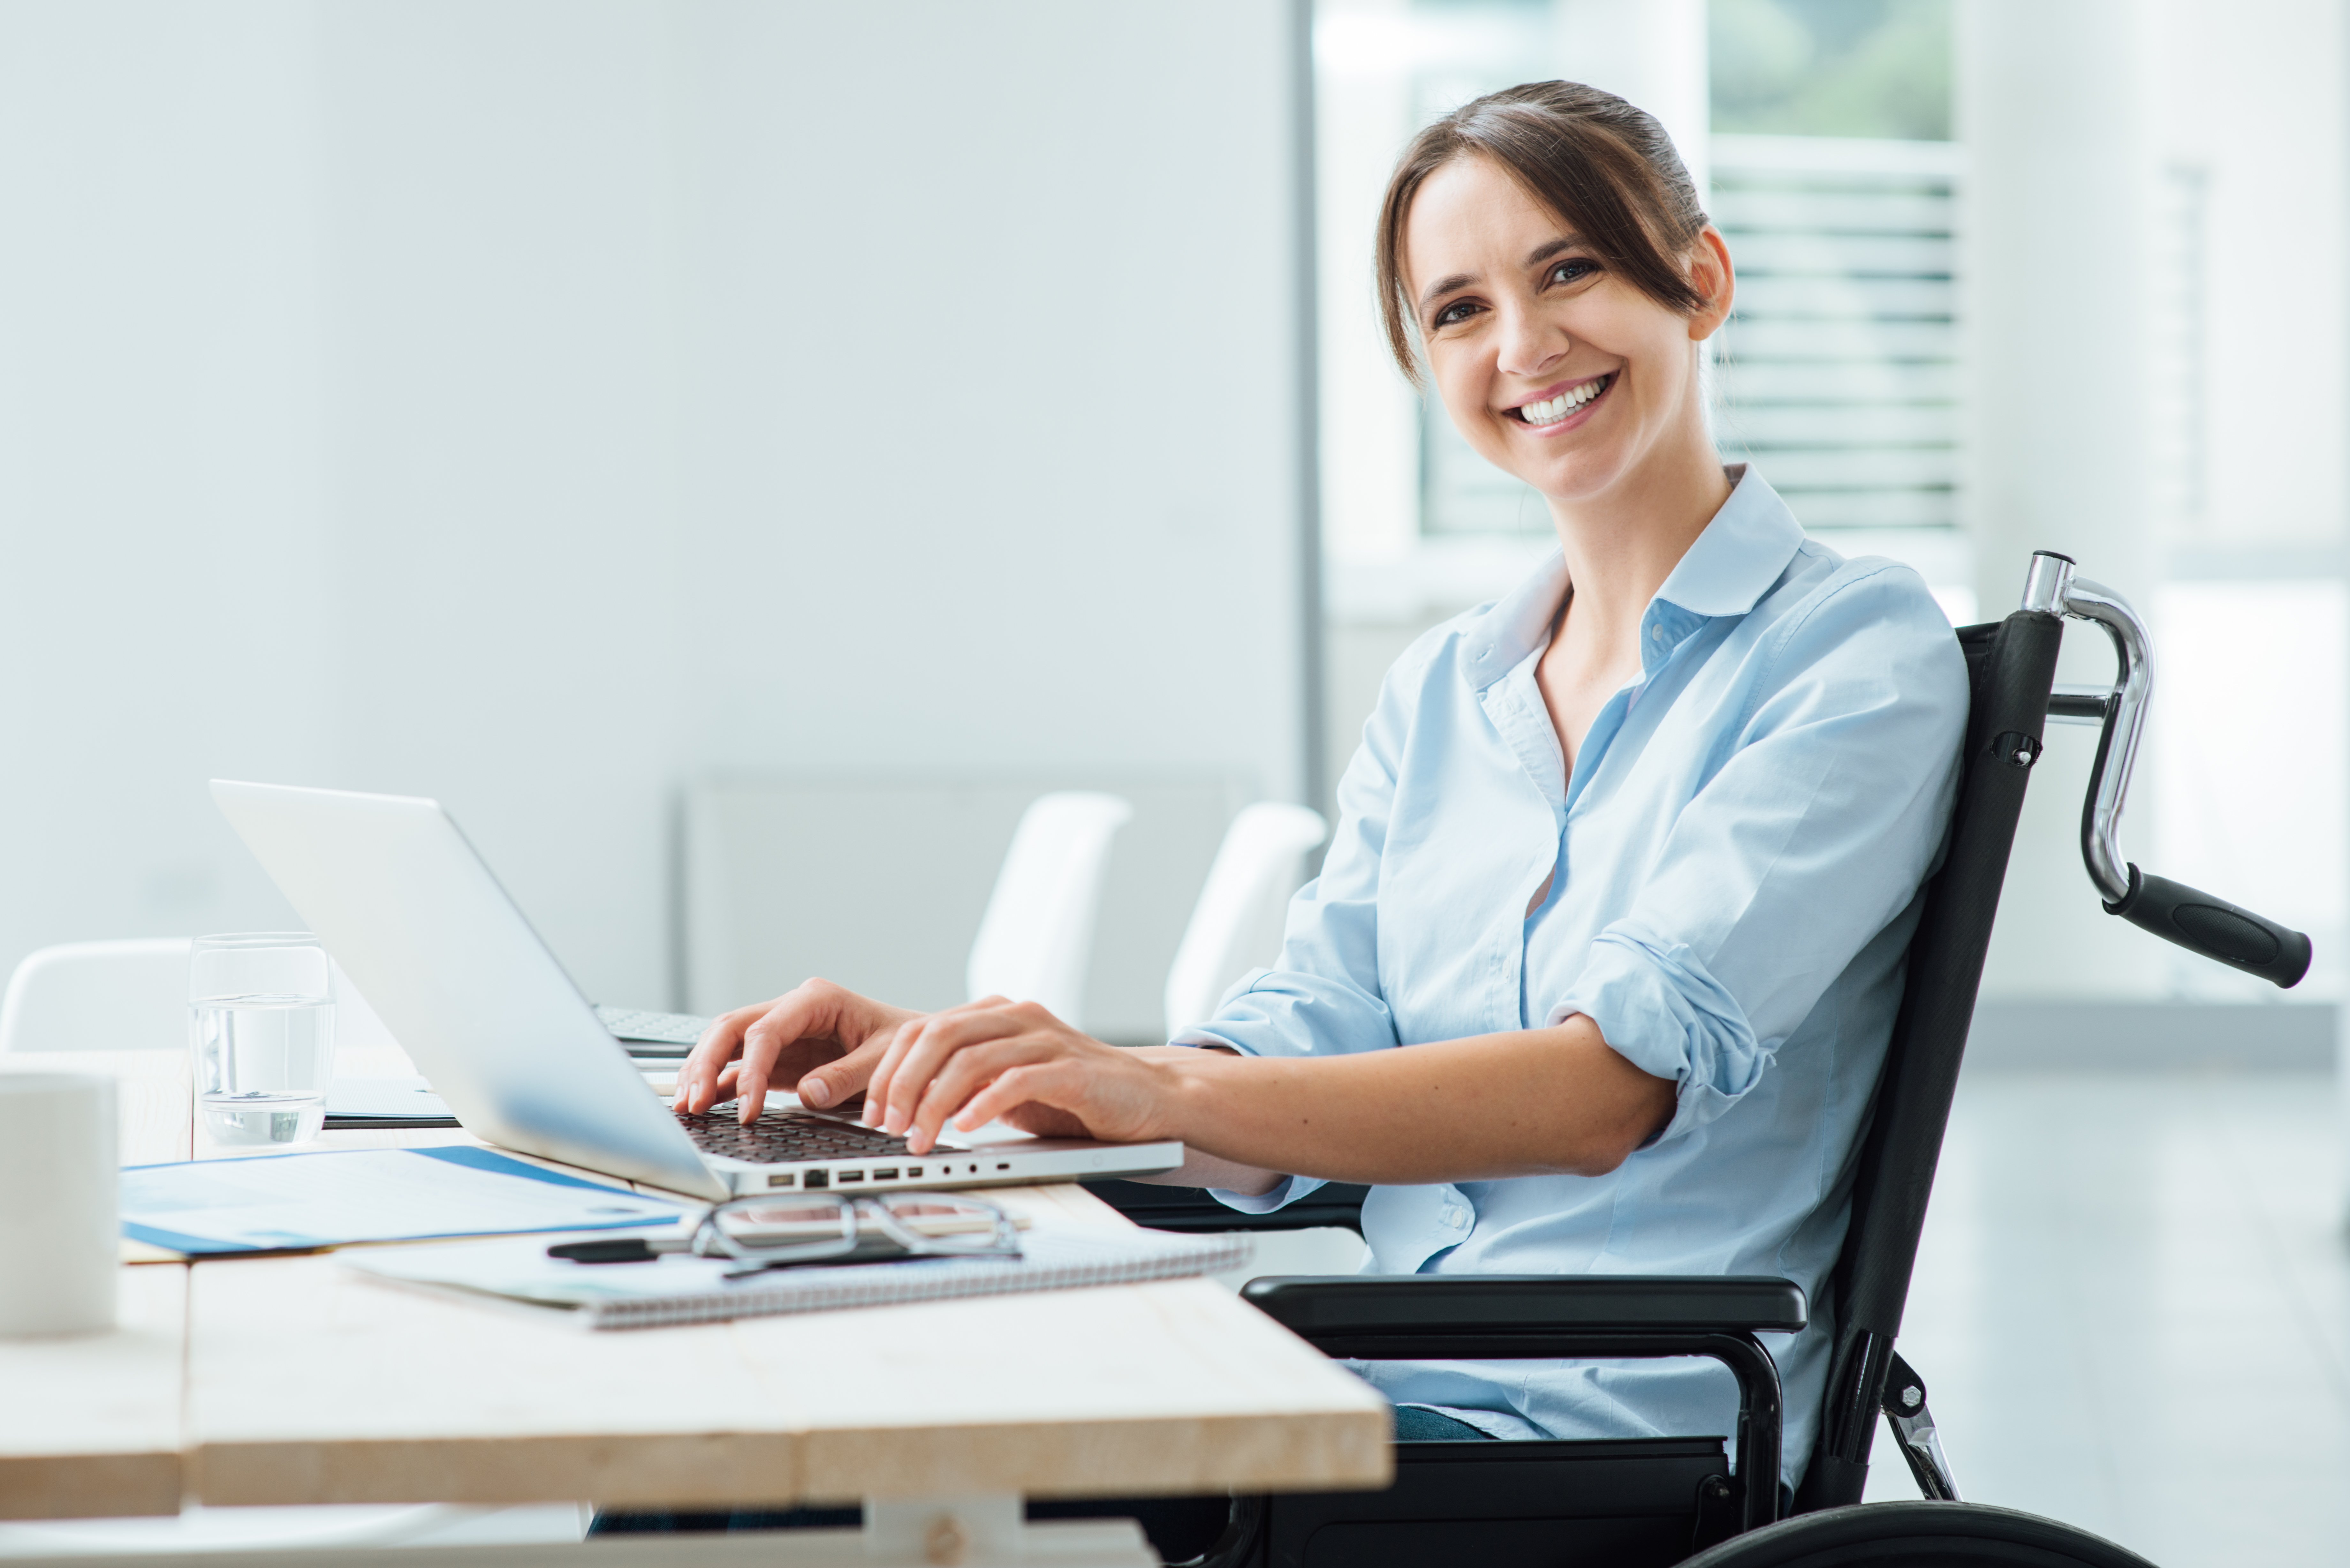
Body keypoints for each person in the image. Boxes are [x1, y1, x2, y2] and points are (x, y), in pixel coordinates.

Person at [669, 79, 1967, 1497]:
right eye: (1458, 310)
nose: (1524, 345)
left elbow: (1606, 1092)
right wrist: (964, 1075)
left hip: (1599, 1439)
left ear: (1699, 280)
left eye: (1570, 269)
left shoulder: (1852, 651)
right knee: (734, 1443)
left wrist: (1147, 1080)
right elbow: (1308, 1027)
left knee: (825, 1483)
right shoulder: (1444, 691)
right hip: (1360, 1378)